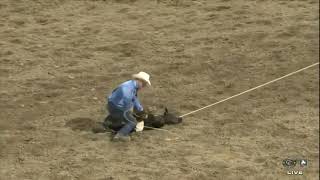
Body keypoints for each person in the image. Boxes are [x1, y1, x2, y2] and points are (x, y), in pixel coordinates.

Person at [107, 72, 151, 141]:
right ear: (139, 80)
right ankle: (120, 136)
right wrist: (131, 113)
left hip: (115, 105)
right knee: (132, 121)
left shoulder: (132, 86)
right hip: (116, 107)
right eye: (144, 83)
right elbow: (127, 101)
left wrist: (140, 110)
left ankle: (114, 126)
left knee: (128, 118)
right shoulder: (128, 87)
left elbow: (134, 99)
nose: (144, 86)